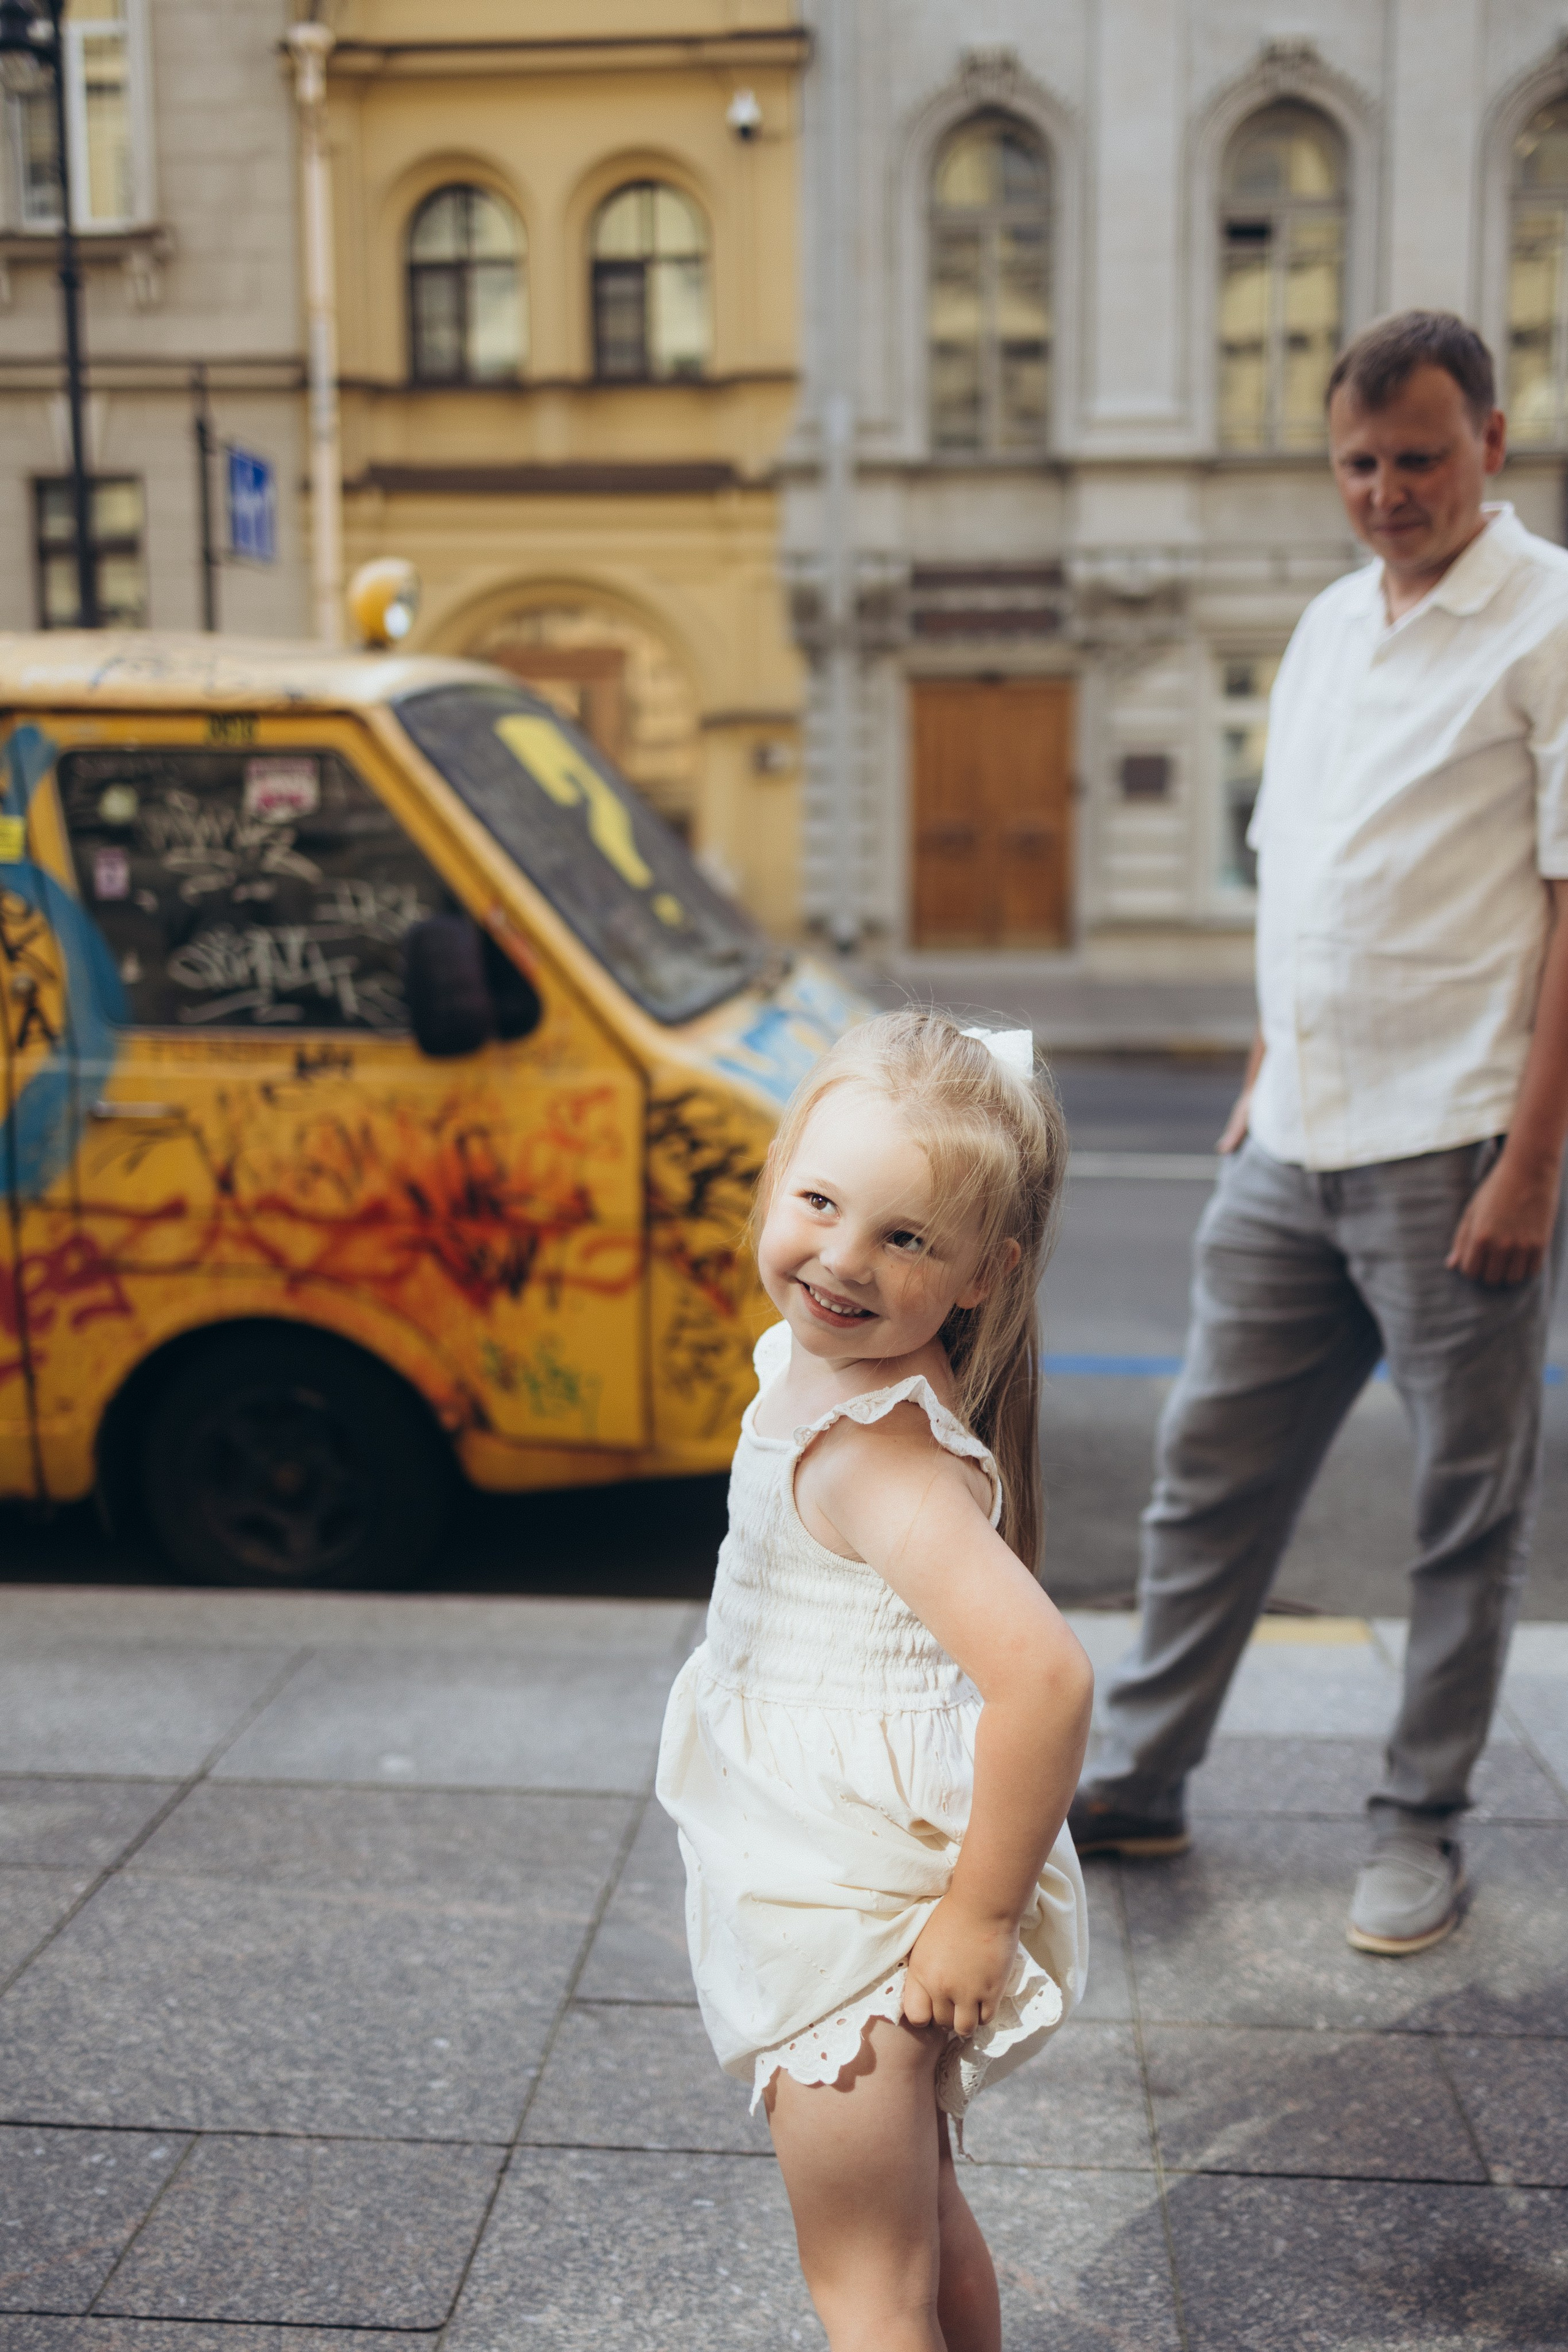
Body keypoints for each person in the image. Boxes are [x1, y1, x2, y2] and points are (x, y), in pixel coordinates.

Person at [1069, 310, 1568, 1959]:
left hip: (1456, 1148)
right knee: (1207, 1477)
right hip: (1291, 1139)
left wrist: (1533, 1162)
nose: (1385, 489)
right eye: (1357, 461)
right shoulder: (1323, 628)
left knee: (1460, 1513)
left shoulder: (1551, 618)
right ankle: (1139, 1779)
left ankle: (1419, 1824)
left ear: (1491, 440)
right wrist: (1266, 1058)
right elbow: (1302, 870)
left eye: (1418, 455)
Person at [658, 1009, 1092, 2352]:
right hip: (819, 1856)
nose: (839, 1262)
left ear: (981, 1274)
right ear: (777, 1171)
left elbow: (1047, 1681)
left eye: (904, 1239)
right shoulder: (811, 1358)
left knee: (866, 2289)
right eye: (821, 1204)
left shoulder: (873, 1454)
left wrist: (976, 1921)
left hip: (845, 1915)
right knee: (918, 2225)